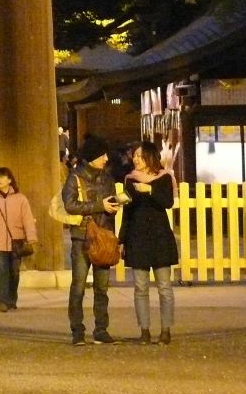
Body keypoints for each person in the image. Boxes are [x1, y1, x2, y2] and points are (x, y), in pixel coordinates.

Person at [63, 135, 121, 345]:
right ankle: (77, 330)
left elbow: (109, 207)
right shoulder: (75, 177)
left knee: (102, 287)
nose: (106, 158)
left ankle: (101, 329)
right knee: (78, 286)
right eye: (102, 154)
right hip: (82, 237)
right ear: (92, 156)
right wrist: (99, 206)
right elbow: (70, 205)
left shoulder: (108, 178)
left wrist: (113, 208)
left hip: (103, 236)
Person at [120, 141, 178, 345]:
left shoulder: (163, 178)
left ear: (150, 158)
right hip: (137, 237)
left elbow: (168, 203)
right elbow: (127, 212)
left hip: (160, 236)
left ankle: (165, 330)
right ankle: (144, 330)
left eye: (139, 155)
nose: (134, 159)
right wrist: (122, 240)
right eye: (134, 155)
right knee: (140, 287)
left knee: (164, 286)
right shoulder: (130, 179)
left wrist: (149, 191)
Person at [0, 166, 38, 312]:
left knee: (14, 271)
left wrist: (31, 236)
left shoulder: (20, 199)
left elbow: (27, 219)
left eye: (2, 177)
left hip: (16, 240)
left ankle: (12, 298)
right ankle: (2, 301)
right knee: (2, 270)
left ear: (10, 180)